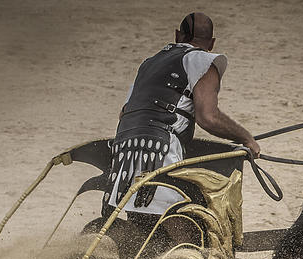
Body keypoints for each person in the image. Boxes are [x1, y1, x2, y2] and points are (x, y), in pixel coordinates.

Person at [102, 12, 260, 234]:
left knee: (142, 230)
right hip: (159, 149)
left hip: (124, 151)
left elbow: (125, 113)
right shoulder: (203, 60)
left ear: (177, 35)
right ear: (212, 42)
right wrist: (247, 139)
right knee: (183, 229)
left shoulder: (149, 63)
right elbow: (209, 117)